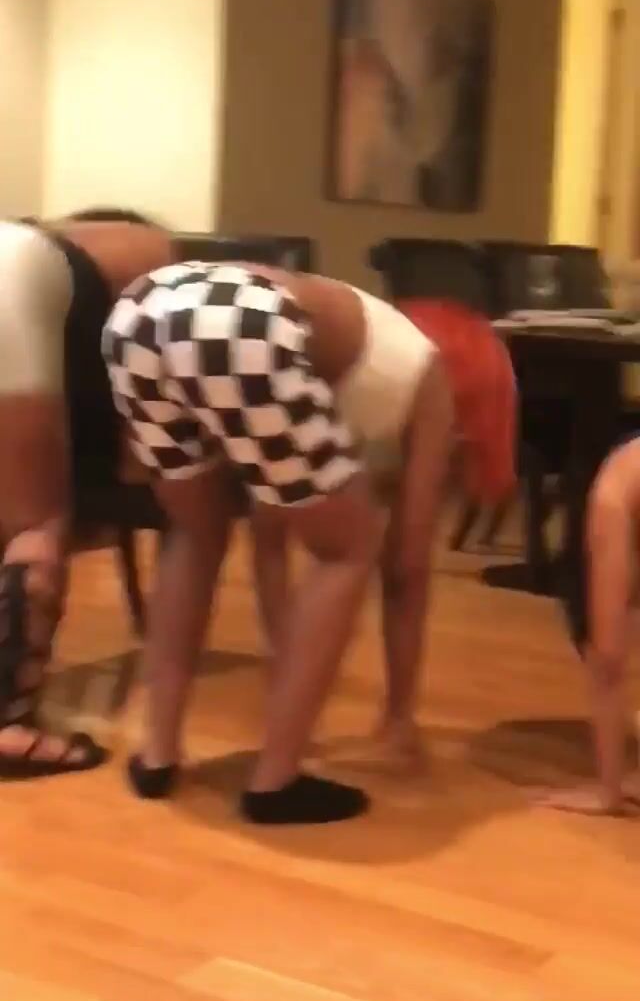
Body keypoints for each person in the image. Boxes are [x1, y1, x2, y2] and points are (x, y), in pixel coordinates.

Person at [102, 265, 516, 823]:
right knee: (351, 546)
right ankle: (276, 781)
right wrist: (398, 714)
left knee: (194, 533)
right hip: (238, 322)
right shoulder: (432, 378)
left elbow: (270, 536)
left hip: (139, 314)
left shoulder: (354, 351)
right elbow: (408, 565)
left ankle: (158, 755)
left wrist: (287, 661)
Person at [251, 295, 518, 770]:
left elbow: (406, 565)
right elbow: (272, 538)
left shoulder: (411, 380)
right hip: (351, 391)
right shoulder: (345, 379)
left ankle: (390, 721)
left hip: (389, 386)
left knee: (397, 563)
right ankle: (366, 718)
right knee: (319, 544)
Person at [0, 210, 173, 777]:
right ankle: (8, 723)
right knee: (34, 525)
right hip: (9, 287)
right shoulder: (151, 250)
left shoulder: (66, 240)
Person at [537, 437, 640, 816]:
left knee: (608, 653)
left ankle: (610, 790)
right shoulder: (614, 492)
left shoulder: (615, 490)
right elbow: (608, 657)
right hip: (619, 495)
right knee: (607, 650)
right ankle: (610, 789)